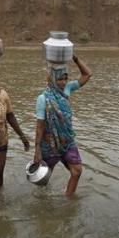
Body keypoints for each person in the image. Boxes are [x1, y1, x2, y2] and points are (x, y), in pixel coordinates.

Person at [33, 54, 92, 196]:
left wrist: (76, 59)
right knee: (44, 178)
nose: (64, 82)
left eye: (65, 78)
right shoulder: (43, 99)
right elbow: (39, 126)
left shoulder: (67, 89)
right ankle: (42, 203)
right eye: (60, 78)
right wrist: (37, 149)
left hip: (67, 140)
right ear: (52, 79)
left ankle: (68, 199)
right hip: (50, 144)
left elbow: (87, 74)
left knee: (77, 171)